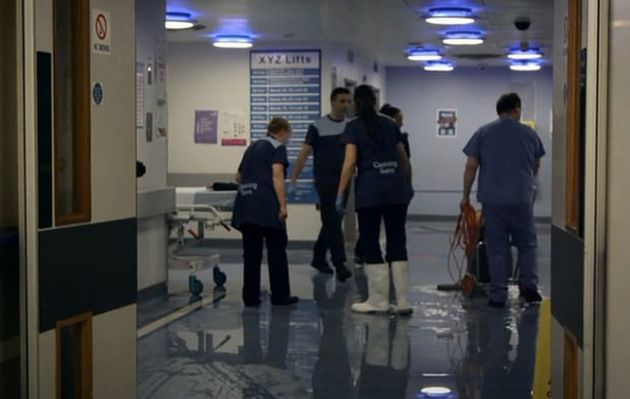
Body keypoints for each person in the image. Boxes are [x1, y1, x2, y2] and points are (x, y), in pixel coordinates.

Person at [460, 92, 545, 308]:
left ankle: (498, 294)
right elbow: (536, 165)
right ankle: (529, 289)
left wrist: (465, 195)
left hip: (493, 202)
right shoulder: (530, 134)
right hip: (521, 200)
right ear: (516, 108)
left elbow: (471, 166)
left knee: (496, 247)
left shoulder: (483, 132)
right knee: (527, 244)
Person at [336, 85, 414, 315]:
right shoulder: (390, 124)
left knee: (370, 242)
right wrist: (407, 185)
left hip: (370, 192)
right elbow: (403, 159)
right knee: (397, 240)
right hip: (396, 191)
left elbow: (349, 163)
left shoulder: (353, 127)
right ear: (374, 101)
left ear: (356, 104)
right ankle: (402, 301)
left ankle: (378, 301)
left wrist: (341, 193)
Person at [232, 118, 299, 307]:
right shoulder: (277, 147)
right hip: (266, 206)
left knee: (251, 254)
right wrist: (283, 205)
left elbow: (238, 176)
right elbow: (277, 175)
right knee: (276, 251)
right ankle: (280, 295)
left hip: (245, 205)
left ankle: (250, 298)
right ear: (282, 131)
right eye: (289, 133)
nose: (289, 138)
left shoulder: (252, 147)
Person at [291, 88, 353, 281]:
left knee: (333, 220)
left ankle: (318, 257)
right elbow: (305, 152)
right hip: (325, 180)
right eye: (342, 101)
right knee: (332, 220)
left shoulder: (351, 127)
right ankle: (340, 263)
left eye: (348, 102)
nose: (346, 105)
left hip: (345, 179)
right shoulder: (318, 126)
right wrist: (295, 175)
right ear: (332, 102)